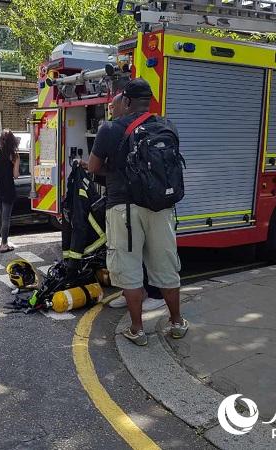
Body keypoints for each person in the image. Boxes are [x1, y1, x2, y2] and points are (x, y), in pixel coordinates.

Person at [88, 78, 188, 345]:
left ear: (127, 101)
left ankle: (137, 329)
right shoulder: (168, 126)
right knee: (166, 268)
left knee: (129, 270)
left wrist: (117, 171)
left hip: (124, 209)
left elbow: (93, 167)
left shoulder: (110, 128)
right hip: (161, 207)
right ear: (149, 101)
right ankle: (177, 322)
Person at [0, 129, 20, 253]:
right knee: (6, 217)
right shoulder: (14, 154)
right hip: (8, 188)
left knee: (0, 215)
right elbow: (16, 175)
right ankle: (4, 244)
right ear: (12, 140)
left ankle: (2, 242)